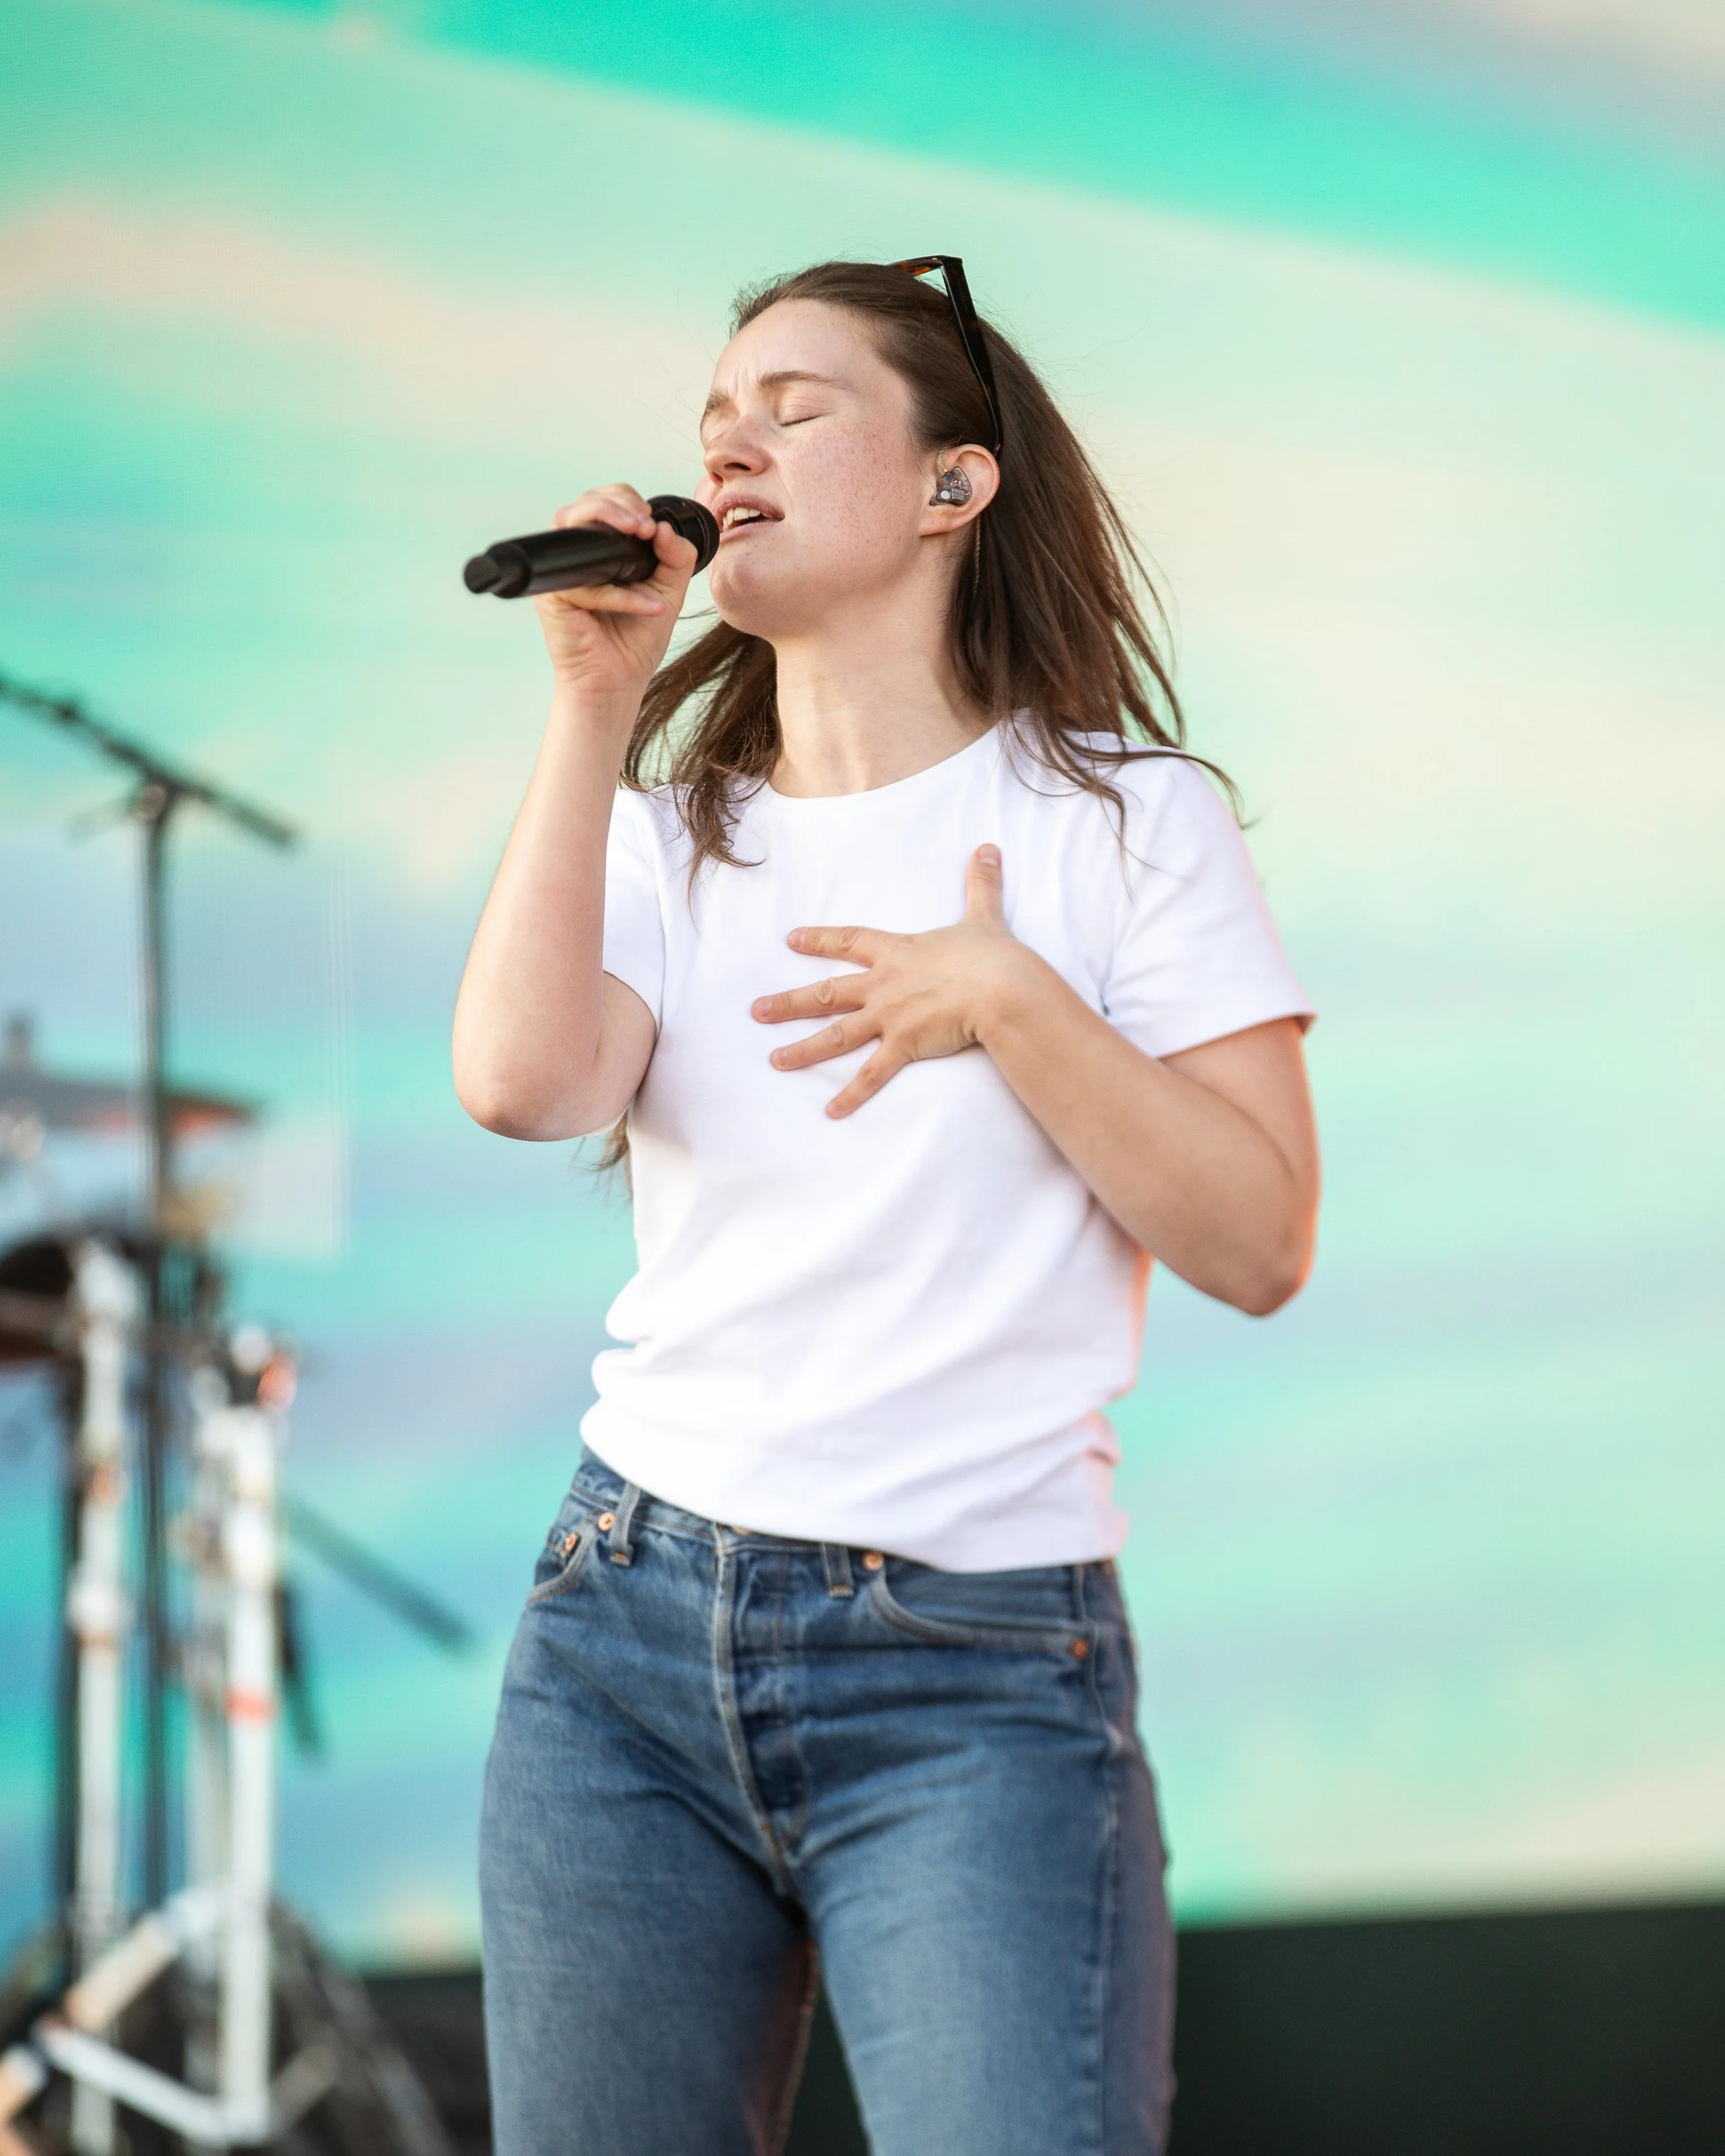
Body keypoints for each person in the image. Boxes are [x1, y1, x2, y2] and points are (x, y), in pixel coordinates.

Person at [453, 257, 1319, 2156]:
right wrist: (593, 705)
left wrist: (1011, 999)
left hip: (972, 1668)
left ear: (953, 484)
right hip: (624, 1634)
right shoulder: (671, 833)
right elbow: (520, 1083)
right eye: (715, 420)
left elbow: (1260, 1241)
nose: (728, 448)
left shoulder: (1125, 822)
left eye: (795, 408)